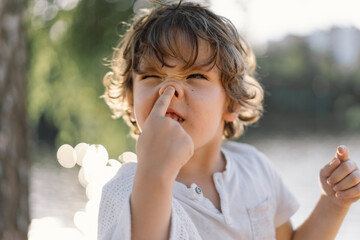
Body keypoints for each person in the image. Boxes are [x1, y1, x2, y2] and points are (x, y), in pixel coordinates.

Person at [98, 1, 360, 239]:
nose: (169, 90)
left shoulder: (255, 168)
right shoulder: (123, 192)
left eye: (195, 76)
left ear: (232, 102)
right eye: (151, 76)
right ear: (132, 100)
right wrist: (155, 172)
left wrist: (333, 203)